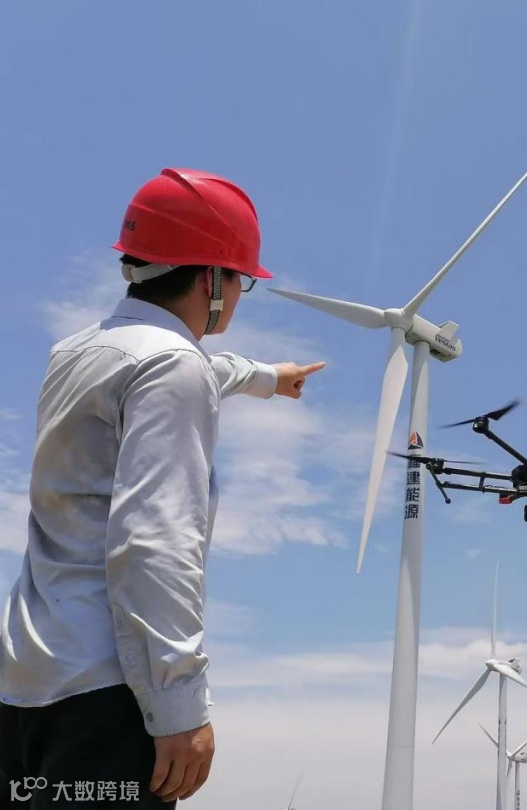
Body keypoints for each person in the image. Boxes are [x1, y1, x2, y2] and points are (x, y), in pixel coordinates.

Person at [0, 168, 326, 808]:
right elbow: (154, 542)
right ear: (212, 279)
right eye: (241, 280)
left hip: (24, 688)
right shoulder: (173, 366)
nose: (240, 294)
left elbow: (198, 368)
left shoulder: (77, 352)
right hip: (109, 695)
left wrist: (267, 376)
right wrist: (179, 707)